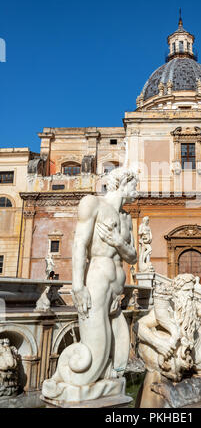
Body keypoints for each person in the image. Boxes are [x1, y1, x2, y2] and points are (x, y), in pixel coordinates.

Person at [42, 167, 138, 402]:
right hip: (97, 280)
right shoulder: (92, 204)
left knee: (120, 353)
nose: (138, 191)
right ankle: (61, 381)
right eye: (135, 185)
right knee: (94, 355)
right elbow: (79, 244)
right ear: (123, 183)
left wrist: (118, 242)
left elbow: (133, 256)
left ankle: (104, 388)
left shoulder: (127, 218)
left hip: (117, 291)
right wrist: (77, 285)